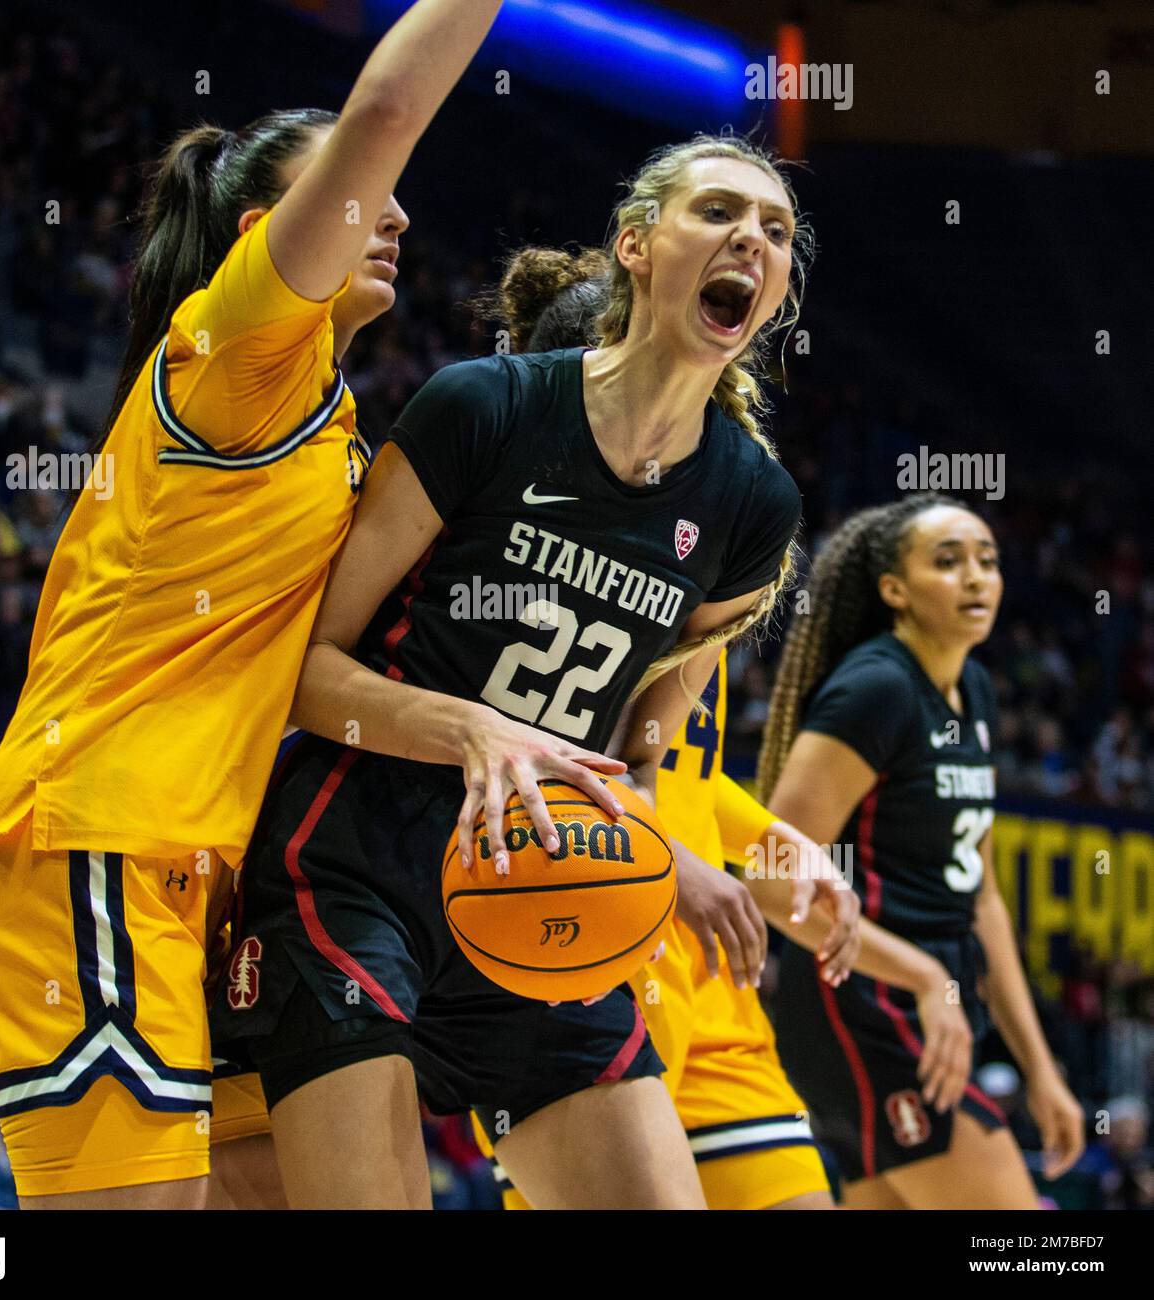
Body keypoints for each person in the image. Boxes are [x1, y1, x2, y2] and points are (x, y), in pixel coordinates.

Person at [0, 0, 506, 1210]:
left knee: (314, 1174)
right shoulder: (234, 351)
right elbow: (391, 107)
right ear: (267, 233)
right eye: (366, 187)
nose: (398, 210)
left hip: (195, 878)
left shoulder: (337, 434)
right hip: (91, 842)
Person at [212, 131, 812, 1209]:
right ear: (636, 245)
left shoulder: (751, 508)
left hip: (547, 873)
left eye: (774, 230)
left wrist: (666, 860)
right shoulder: (486, 405)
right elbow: (302, 669)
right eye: (717, 211)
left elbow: (639, 753)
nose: (752, 240)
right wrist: (473, 730)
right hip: (361, 859)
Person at [471, 267, 977, 1212]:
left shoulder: (705, 586)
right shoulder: (532, 577)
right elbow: (555, 774)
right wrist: (681, 865)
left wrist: (771, 851)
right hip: (581, 972)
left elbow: (693, 786)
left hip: (716, 1007)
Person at [758, 493, 1087, 1208]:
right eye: (948, 562)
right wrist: (920, 977)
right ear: (894, 591)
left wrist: (1040, 1068)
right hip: (867, 1007)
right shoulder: (878, 688)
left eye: (988, 561)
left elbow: (984, 897)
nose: (976, 577)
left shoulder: (972, 689)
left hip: (926, 1008)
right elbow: (772, 882)